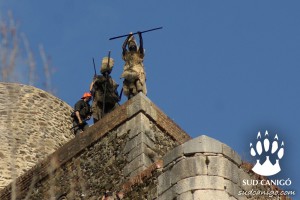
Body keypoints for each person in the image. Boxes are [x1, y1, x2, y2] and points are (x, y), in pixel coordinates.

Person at [90, 56, 120, 123]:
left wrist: (116, 96)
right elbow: (93, 88)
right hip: (102, 99)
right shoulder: (99, 78)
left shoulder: (111, 80)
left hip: (110, 100)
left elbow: (114, 91)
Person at [121, 32, 147, 99]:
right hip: (129, 72)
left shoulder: (139, 54)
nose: (132, 46)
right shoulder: (127, 55)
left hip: (138, 72)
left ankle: (140, 93)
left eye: (134, 46)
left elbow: (141, 46)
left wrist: (140, 36)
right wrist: (128, 37)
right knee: (129, 87)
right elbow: (123, 47)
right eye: (130, 46)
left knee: (138, 83)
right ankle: (131, 95)